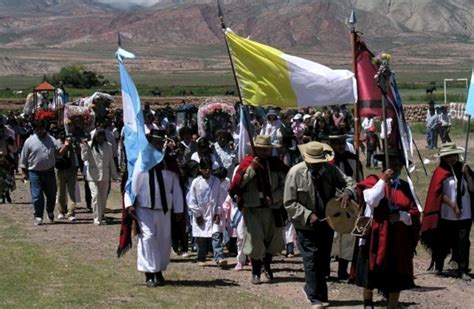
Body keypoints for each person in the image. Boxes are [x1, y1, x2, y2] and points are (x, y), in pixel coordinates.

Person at [283, 141, 356, 308]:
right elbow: (289, 202)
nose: (317, 166)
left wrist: (347, 192)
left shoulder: (331, 170)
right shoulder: (295, 173)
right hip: (305, 225)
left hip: (327, 223)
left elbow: (349, 182)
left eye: (319, 162)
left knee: (323, 260)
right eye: (313, 163)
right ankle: (314, 296)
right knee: (311, 259)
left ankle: (317, 292)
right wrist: (308, 215)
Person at [355, 149, 420, 309]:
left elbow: (414, 211)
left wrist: (401, 216)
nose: (395, 168)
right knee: (371, 272)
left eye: (398, 165)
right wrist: (383, 180)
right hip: (375, 234)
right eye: (392, 165)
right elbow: (372, 200)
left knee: (395, 274)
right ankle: (368, 302)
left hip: (396, 237)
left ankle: (392, 304)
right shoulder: (373, 181)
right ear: (384, 166)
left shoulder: (404, 186)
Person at [124, 129, 184, 287]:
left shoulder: (168, 162)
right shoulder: (142, 161)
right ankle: (149, 274)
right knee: (148, 238)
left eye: (160, 142)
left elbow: (176, 187)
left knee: (164, 240)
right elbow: (131, 184)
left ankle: (159, 271)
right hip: (145, 208)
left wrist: (178, 209)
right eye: (155, 142)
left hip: (164, 209)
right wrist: (129, 203)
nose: (158, 145)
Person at [229, 135, 288, 284]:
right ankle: (255, 271)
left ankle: (267, 266)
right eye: (261, 149)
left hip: (272, 208)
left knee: (271, 241)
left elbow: (286, 185)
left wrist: (274, 197)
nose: (264, 152)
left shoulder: (276, 164)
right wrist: (251, 170)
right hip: (253, 208)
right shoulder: (247, 163)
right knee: (255, 241)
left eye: (266, 150)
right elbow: (237, 185)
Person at [420, 143, 473, 280]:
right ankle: (438, 266)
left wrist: (467, 174)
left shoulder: (464, 169)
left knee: (463, 241)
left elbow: (472, 189)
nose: (451, 159)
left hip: (465, 213)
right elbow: (438, 193)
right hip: (447, 214)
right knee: (442, 240)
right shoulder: (440, 172)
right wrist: (453, 206)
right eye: (448, 156)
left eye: (453, 155)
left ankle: (462, 269)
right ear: (443, 158)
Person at [327, 133, 363, 280]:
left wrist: (354, 195)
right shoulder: (328, 162)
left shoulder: (353, 159)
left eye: (342, 143)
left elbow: (358, 180)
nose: (340, 146)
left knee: (348, 236)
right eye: (336, 143)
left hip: (350, 202)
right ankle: (327, 270)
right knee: (333, 236)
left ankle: (343, 269)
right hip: (332, 202)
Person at [20, 120, 63, 225]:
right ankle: (38, 215)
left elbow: (58, 155)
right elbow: (23, 159)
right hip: (34, 172)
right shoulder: (29, 141)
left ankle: (50, 211)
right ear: (34, 130)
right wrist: (23, 172)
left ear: (45, 129)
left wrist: (65, 147)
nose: (39, 131)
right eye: (37, 129)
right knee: (37, 195)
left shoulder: (52, 140)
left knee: (52, 194)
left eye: (41, 129)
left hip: (49, 172)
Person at [188, 157, 227, 267]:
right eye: (204, 169)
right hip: (200, 213)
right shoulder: (196, 182)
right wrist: (197, 214)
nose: (207, 171)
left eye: (209, 168)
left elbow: (219, 198)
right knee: (200, 237)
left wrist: (218, 212)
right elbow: (192, 200)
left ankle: (219, 258)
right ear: (200, 169)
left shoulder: (216, 181)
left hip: (213, 213)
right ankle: (201, 257)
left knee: (216, 235)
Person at [81, 129, 118, 225]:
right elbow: (84, 158)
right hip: (93, 176)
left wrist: (114, 175)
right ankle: (97, 219)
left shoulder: (108, 146)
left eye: (101, 136)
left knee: (103, 197)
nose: (100, 138)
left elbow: (111, 161)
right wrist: (84, 147)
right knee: (95, 196)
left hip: (105, 175)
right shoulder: (89, 145)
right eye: (98, 136)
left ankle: (101, 215)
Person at [55, 131, 79, 221]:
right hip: (60, 169)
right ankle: (61, 211)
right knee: (61, 192)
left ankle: (71, 212)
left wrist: (73, 145)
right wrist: (65, 146)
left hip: (71, 169)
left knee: (71, 192)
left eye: (64, 135)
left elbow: (78, 152)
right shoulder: (56, 143)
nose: (63, 136)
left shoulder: (73, 143)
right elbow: (59, 155)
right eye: (61, 134)